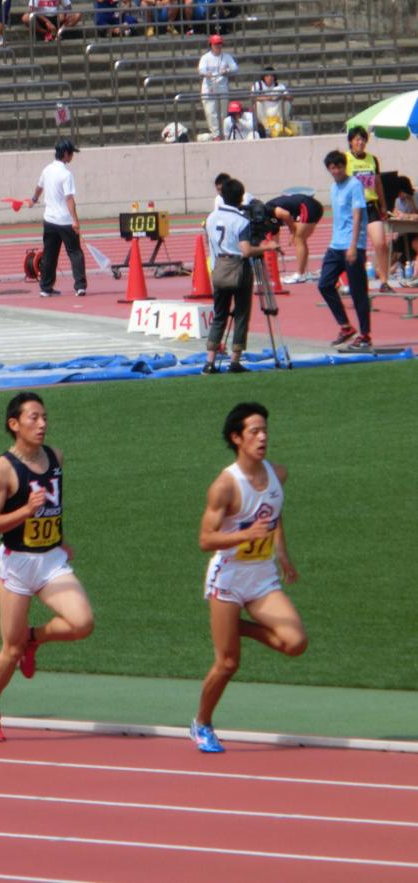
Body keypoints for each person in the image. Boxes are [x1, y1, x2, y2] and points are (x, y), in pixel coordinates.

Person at [0, 391, 94, 743]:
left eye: (44, 417)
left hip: (50, 561)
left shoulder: (55, 458)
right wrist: (24, 512)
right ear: (14, 425)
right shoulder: (2, 470)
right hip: (16, 564)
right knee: (8, 650)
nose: (42, 424)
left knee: (82, 623)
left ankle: (34, 638)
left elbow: (53, 508)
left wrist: (58, 538)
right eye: (34, 418)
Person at [191, 402, 306, 753]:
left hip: (262, 578)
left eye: (265, 430)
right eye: (254, 431)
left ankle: (232, 626)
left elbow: (273, 510)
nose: (262, 437)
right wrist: (246, 535)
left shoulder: (277, 474)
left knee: (294, 642)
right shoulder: (225, 486)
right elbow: (205, 540)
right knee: (228, 662)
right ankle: (202, 723)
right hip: (228, 578)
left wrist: (281, 551)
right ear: (236, 438)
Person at [201, 177, 273, 374]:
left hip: (219, 268)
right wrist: (267, 247)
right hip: (239, 268)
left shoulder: (211, 217)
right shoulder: (241, 221)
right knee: (241, 314)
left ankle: (210, 361)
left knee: (219, 315)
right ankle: (235, 359)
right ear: (241, 198)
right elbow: (247, 250)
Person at [317, 150, 372, 352]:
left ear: (345, 166)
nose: (337, 170)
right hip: (335, 245)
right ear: (329, 169)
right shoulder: (333, 187)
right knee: (324, 284)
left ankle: (365, 336)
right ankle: (346, 326)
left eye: (340, 166)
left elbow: (357, 216)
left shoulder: (355, 185)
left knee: (358, 293)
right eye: (333, 168)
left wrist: (353, 245)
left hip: (352, 245)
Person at [23, 138, 88, 298]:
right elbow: (69, 199)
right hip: (65, 221)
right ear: (65, 154)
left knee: (50, 254)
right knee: (75, 253)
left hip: (50, 221)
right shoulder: (66, 174)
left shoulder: (47, 170)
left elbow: (39, 187)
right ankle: (80, 286)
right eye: (71, 153)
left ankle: (45, 288)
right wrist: (75, 221)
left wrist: (33, 200)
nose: (72, 156)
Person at [346, 126, 393, 294]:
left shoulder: (372, 159)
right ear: (351, 142)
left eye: (363, 139)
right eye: (357, 139)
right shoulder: (345, 159)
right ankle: (356, 283)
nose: (360, 142)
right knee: (356, 248)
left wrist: (384, 206)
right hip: (353, 209)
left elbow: (378, 183)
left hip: (371, 205)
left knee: (381, 243)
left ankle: (384, 281)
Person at [264, 192, 323, 283]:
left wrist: (292, 231)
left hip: (307, 206)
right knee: (300, 239)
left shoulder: (266, 210)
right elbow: (274, 245)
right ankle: (304, 272)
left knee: (299, 239)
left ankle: (300, 274)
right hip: (308, 207)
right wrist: (272, 271)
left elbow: (285, 214)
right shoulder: (270, 224)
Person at [198, 34, 237, 141]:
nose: (218, 46)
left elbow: (235, 67)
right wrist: (206, 73)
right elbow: (201, 69)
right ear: (211, 45)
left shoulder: (227, 57)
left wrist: (227, 70)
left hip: (222, 85)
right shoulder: (205, 57)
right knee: (211, 112)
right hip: (209, 86)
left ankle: (223, 132)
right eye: (216, 44)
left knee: (223, 112)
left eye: (220, 44)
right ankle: (216, 135)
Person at [250, 67, 291, 137]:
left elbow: (290, 97)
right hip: (264, 111)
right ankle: (266, 127)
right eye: (268, 76)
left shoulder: (279, 86)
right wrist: (270, 97)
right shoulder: (258, 85)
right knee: (257, 104)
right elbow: (253, 98)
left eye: (272, 76)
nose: (270, 78)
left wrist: (281, 96)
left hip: (276, 111)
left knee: (287, 103)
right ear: (264, 77)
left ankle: (280, 124)